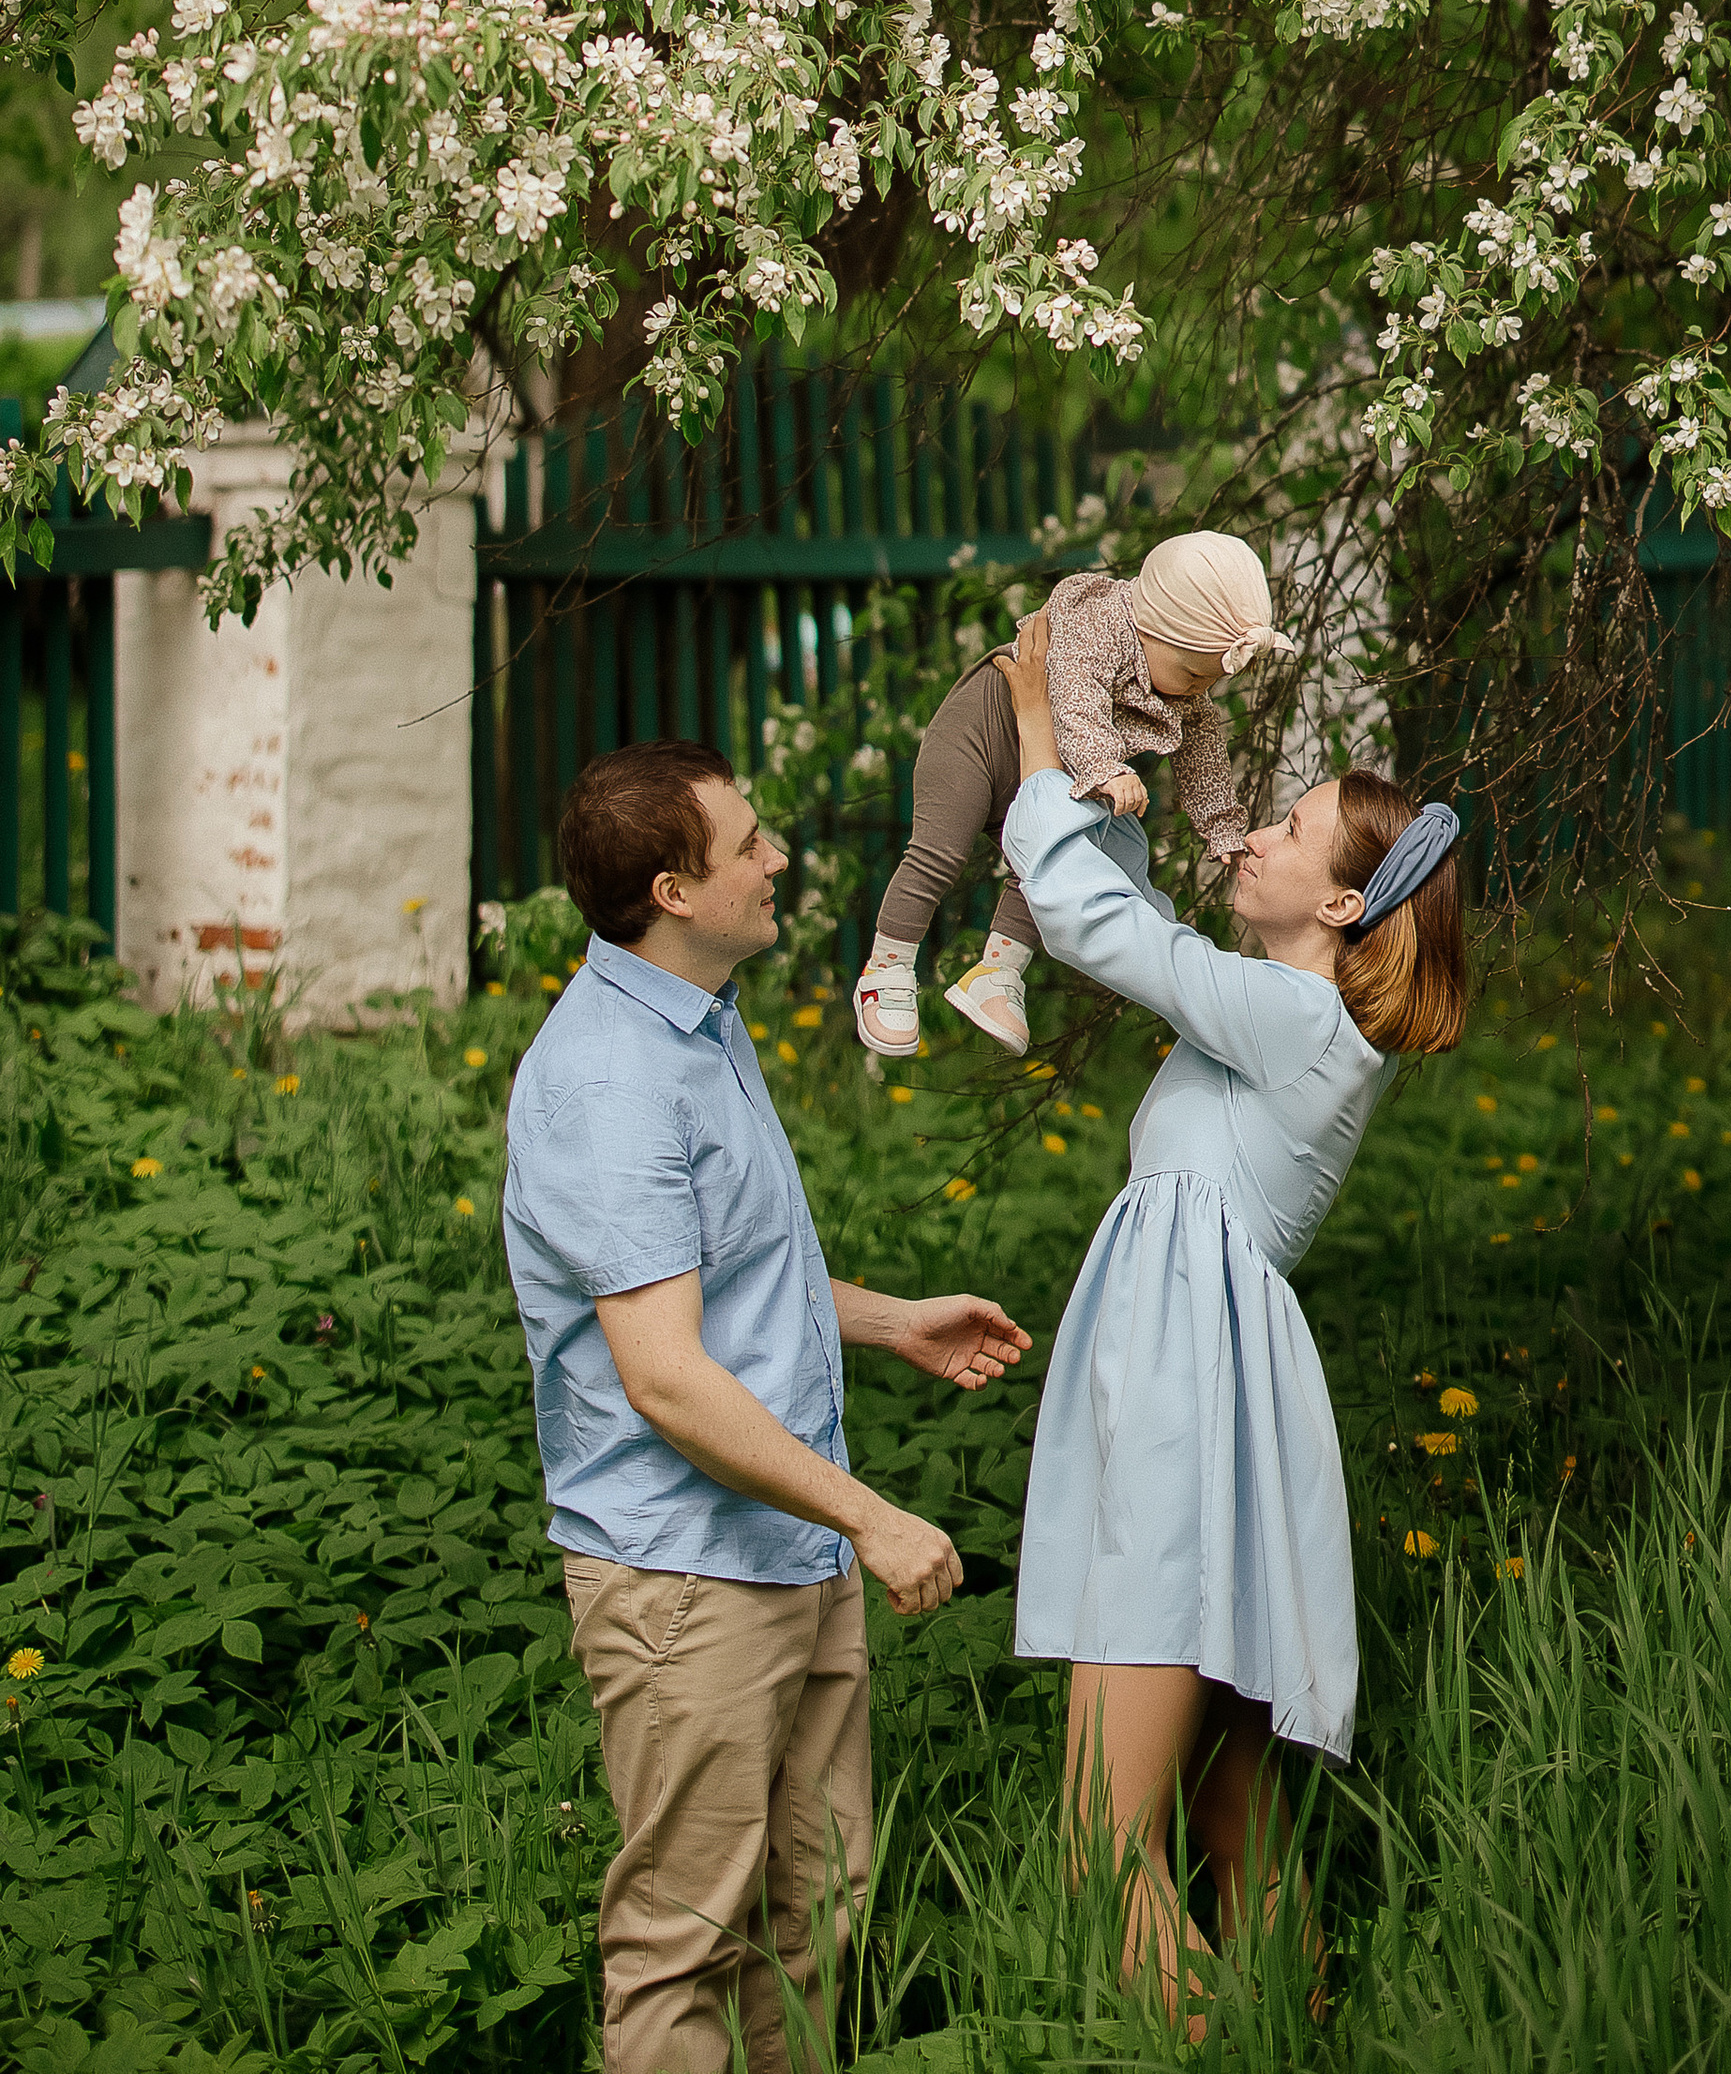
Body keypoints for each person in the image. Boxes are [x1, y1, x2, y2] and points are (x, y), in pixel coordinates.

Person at [501, 738, 1030, 2074]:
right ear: (674, 891)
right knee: (685, 1948)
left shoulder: (701, 1018)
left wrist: (891, 1319)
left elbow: (723, 1284)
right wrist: (875, 1518)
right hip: (689, 1583)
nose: (779, 858)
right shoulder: (612, 1080)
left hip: (785, 1550)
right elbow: (667, 1376)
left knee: (816, 1921)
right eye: (748, 844)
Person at [995, 607, 1468, 2029]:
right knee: (1240, 1837)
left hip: (1184, 1400)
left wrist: (1036, 721)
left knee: (1099, 1846)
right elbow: (1142, 929)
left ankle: (1208, 2043)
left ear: (1340, 908)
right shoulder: (1277, 1010)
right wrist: (1108, 789)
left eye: (1288, 829)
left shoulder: (1302, 1023)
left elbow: (1091, 929)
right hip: (1214, 1399)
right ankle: (1295, 2035)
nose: (1252, 836)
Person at [856, 530, 1293, 1064]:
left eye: (1208, 680)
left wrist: (1221, 827)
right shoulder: (1100, 623)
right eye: (1192, 674)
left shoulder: (1185, 690)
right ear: (1155, 629)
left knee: (1046, 859)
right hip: (981, 737)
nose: (1199, 691)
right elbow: (1075, 693)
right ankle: (887, 966)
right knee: (938, 852)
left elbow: (1203, 752)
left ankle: (996, 973)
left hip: (1044, 766)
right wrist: (1105, 768)